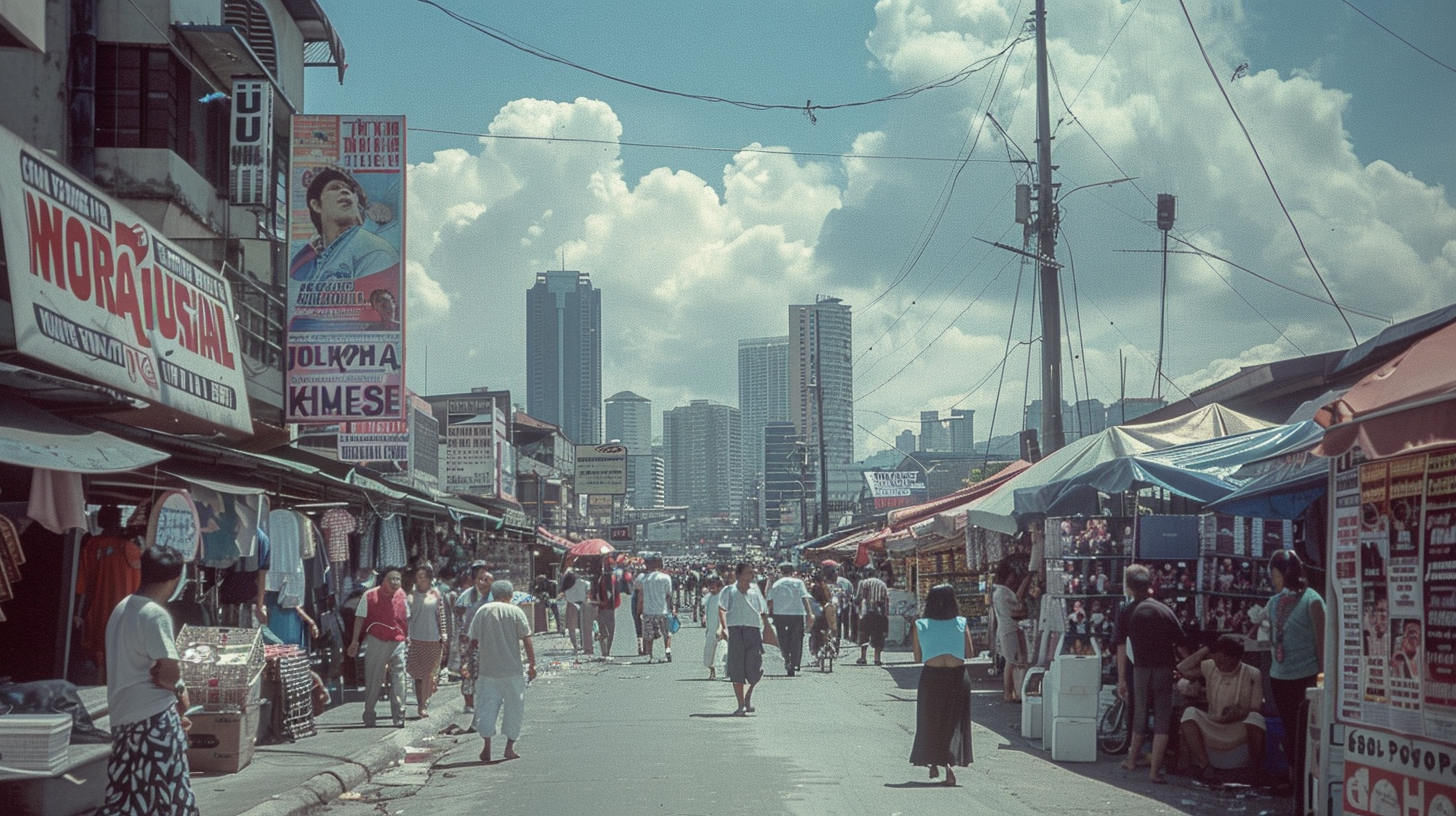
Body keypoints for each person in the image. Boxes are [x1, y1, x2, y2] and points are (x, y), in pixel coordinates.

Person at [96, 546, 198, 816]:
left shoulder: (122, 608)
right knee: (172, 795)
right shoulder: (155, 614)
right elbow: (169, 674)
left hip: (123, 720)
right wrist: (179, 691)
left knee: (127, 796)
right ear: (174, 579)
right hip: (154, 721)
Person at [288, 166, 400, 330]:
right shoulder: (308, 260)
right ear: (316, 205)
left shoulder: (373, 249)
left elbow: (365, 318)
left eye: (349, 191)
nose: (345, 192)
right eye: (335, 188)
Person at [1115, 563, 1189, 783]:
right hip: (1165, 670)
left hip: (1140, 671)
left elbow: (1120, 648)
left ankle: (1131, 760)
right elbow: (1183, 647)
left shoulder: (1127, 611)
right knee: (1162, 719)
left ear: (1128, 587)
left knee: (1140, 714)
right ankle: (1155, 772)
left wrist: (1121, 679)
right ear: (1149, 585)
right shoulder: (1165, 611)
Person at [1266, 549, 1324, 790]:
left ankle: (1308, 784)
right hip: (1279, 677)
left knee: (1307, 734)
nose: (1272, 579)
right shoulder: (1273, 602)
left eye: (1275, 573)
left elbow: (1322, 645)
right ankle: (1293, 780)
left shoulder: (1313, 601)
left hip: (1306, 677)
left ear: (1286, 573)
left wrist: (1323, 679)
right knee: (1290, 731)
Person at [909, 584, 975, 786]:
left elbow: (918, 657)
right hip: (957, 677)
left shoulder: (920, 624)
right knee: (953, 721)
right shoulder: (961, 623)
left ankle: (933, 762)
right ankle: (948, 765)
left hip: (932, 677)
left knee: (930, 720)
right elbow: (970, 653)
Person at [465, 580, 537, 763]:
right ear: (510, 595)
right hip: (512, 670)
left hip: (488, 670)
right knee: (515, 709)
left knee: (486, 708)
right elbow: (527, 640)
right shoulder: (516, 611)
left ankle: (487, 747)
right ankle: (509, 748)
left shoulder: (483, 611)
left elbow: (472, 641)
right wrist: (532, 665)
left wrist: (467, 664)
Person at [1176, 634, 1266, 780]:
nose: (1219, 664)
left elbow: (1255, 708)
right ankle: (1206, 766)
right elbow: (1182, 668)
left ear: (1234, 659)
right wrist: (1206, 649)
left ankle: (1254, 770)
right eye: (1217, 659)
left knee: (1256, 719)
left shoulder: (1253, 673)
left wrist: (1237, 713)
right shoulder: (1211, 666)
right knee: (1189, 714)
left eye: (1223, 660)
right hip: (1214, 724)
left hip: (1238, 727)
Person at [75, 505, 142, 684]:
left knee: (101, 654)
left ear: (102, 520)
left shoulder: (92, 545)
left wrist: (78, 613)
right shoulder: (135, 546)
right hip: (130, 610)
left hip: (100, 609)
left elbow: (81, 584)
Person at [347, 565, 409, 728]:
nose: (395, 582)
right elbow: (360, 618)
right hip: (377, 640)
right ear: (383, 580)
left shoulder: (402, 595)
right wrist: (355, 641)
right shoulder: (369, 596)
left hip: (398, 641)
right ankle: (369, 711)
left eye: (398, 579)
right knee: (374, 678)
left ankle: (399, 713)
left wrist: (407, 638)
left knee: (399, 678)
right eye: (392, 579)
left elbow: (405, 618)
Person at [718, 562, 769, 715]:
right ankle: (741, 705)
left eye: (752, 572)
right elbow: (721, 608)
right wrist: (724, 628)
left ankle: (748, 696)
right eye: (748, 572)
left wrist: (767, 627)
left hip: (753, 630)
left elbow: (763, 610)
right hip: (735, 631)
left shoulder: (755, 590)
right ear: (739, 575)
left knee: (755, 668)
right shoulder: (728, 591)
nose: (751, 575)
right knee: (737, 669)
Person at [406, 563, 446, 718]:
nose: (420, 580)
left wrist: (444, 636)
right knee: (417, 675)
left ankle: (423, 704)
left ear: (429, 579)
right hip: (415, 639)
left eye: (423, 577)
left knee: (428, 673)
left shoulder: (436, 595)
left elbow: (441, 616)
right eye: (418, 577)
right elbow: (407, 619)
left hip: (432, 639)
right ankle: (421, 702)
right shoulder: (411, 596)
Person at [989, 557, 1030, 703]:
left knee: (1011, 660)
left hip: (1005, 628)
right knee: (1011, 661)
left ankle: (1011, 692)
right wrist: (1027, 579)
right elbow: (1017, 602)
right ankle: (1008, 692)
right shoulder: (1004, 591)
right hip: (1009, 628)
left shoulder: (997, 590)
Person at [454, 562, 493, 714]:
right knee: (467, 671)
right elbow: (458, 610)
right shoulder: (469, 594)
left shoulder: (493, 595)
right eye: (479, 578)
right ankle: (469, 703)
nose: (482, 581)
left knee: (485, 671)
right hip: (468, 638)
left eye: (485, 578)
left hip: (487, 637)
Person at [767, 562, 814, 676]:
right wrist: (809, 613)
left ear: (781, 572)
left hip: (780, 614)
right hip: (797, 614)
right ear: (793, 572)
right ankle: (795, 663)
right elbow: (804, 598)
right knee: (797, 639)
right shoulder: (799, 583)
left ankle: (787, 659)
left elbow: (770, 600)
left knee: (782, 638)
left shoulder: (776, 584)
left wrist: (769, 613)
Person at [638, 555, 674, 663]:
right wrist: (671, 608)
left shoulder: (644, 579)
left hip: (648, 611)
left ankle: (651, 656)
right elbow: (669, 594)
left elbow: (641, 595)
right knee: (666, 633)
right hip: (662, 610)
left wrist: (638, 611)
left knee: (649, 636)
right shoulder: (666, 577)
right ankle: (667, 650)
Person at [856, 567, 890, 666]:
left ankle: (863, 657)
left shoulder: (863, 583)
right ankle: (877, 659)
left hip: (866, 613)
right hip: (879, 614)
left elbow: (859, 598)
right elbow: (886, 600)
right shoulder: (882, 584)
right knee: (879, 635)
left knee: (864, 634)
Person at [591, 564, 622, 658]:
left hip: (601, 607)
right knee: (609, 631)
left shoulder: (599, 578)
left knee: (603, 630)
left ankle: (605, 651)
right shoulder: (608, 578)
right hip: (607, 607)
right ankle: (606, 651)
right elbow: (610, 593)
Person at [560, 568, 591, 656]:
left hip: (571, 605)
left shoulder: (566, 584)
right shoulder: (585, 583)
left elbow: (565, 595)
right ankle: (585, 646)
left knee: (571, 628)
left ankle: (576, 646)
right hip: (583, 604)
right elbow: (588, 594)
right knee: (585, 627)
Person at [701, 574, 726, 679]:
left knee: (720, 652)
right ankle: (712, 672)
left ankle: (723, 672)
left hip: (719, 628)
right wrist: (704, 617)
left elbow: (724, 613)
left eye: (713, 586)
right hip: (710, 628)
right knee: (709, 651)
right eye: (709, 585)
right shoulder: (709, 597)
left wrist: (721, 628)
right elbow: (707, 609)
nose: (711, 588)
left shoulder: (723, 597)